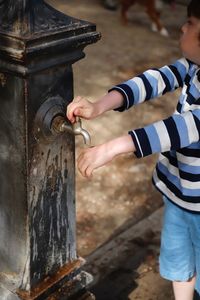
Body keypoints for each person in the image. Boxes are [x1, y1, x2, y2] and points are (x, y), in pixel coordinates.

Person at [67, 0, 200, 299]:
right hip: (178, 195)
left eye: (191, 23)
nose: (183, 25)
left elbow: (176, 130)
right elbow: (151, 81)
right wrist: (99, 105)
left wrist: (112, 148)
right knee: (180, 262)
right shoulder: (193, 68)